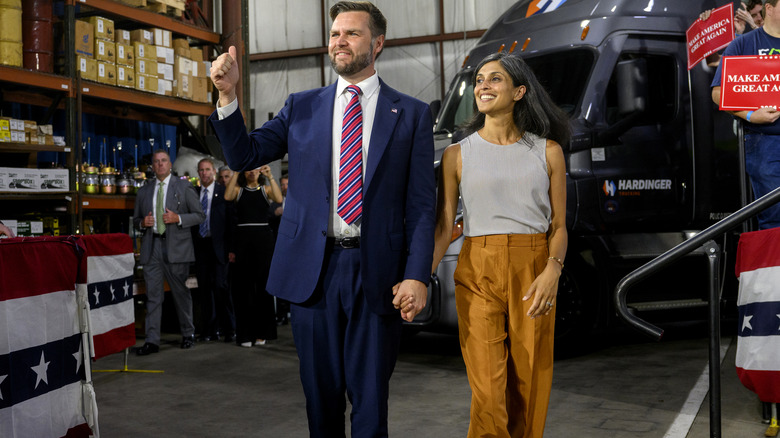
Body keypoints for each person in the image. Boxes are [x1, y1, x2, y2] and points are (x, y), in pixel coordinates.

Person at [209, 1, 435, 435]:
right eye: (334, 34)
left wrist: (417, 275)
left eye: (351, 33)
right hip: (312, 273)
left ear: (378, 43)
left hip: (378, 274)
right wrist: (227, 96)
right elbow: (244, 155)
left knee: (370, 403)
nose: (339, 41)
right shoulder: (302, 106)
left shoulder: (410, 113)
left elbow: (422, 206)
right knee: (320, 402)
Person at [431, 52, 568, 438]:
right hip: (477, 269)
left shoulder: (548, 151)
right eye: (479, 81)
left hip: (535, 268)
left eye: (494, 79)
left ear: (520, 91)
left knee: (529, 385)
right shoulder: (457, 154)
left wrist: (553, 270)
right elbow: (444, 225)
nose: (483, 86)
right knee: (488, 390)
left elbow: (559, 225)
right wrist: (418, 278)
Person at [712, 0, 780, 230]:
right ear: (769, 8)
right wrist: (751, 115)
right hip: (764, 141)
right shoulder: (743, 44)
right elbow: (718, 93)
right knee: (774, 216)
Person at [132, 150, 205, 355]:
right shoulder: (144, 191)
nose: (160, 165)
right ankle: (152, 341)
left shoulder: (183, 186)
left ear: (170, 164)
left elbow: (199, 215)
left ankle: (188, 334)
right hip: (151, 247)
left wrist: (178, 219)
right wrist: (142, 223)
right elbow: (136, 220)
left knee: (181, 293)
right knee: (153, 296)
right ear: (153, 166)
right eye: (156, 162)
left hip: (176, 248)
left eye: (163, 161)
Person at [224, 165, 282, 347]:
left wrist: (270, 175)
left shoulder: (264, 189)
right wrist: (236, 171)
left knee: (263, 287)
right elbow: (227, 196)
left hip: (263, 241)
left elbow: (279, 198)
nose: (252, 172)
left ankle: (262, 333)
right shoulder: (238, 190)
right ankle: (245, 334)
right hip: (243, 241)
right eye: (249, 169)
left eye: (255, 169)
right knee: (243, 288)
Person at [192, 158, 236, 343]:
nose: (204, 173)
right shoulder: (193, 194)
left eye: (208, 170)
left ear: (214, 171)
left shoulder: (223, 193)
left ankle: (230, 328)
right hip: (201, 247)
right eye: (201, 170)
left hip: (220, 247)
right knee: (204, 289)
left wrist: (232, 249)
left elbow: (232, 223)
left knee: (221, 287)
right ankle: (210, 330)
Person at [269, 174, 290, 325]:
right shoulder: (275, 204)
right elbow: (267, 217)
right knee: (282, 281)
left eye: (287, 184)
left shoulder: (301, 201)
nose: (284, 187)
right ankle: (282, 313)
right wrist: (275, 214)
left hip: (297, 249)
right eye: (282, 184)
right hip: (280, 247)